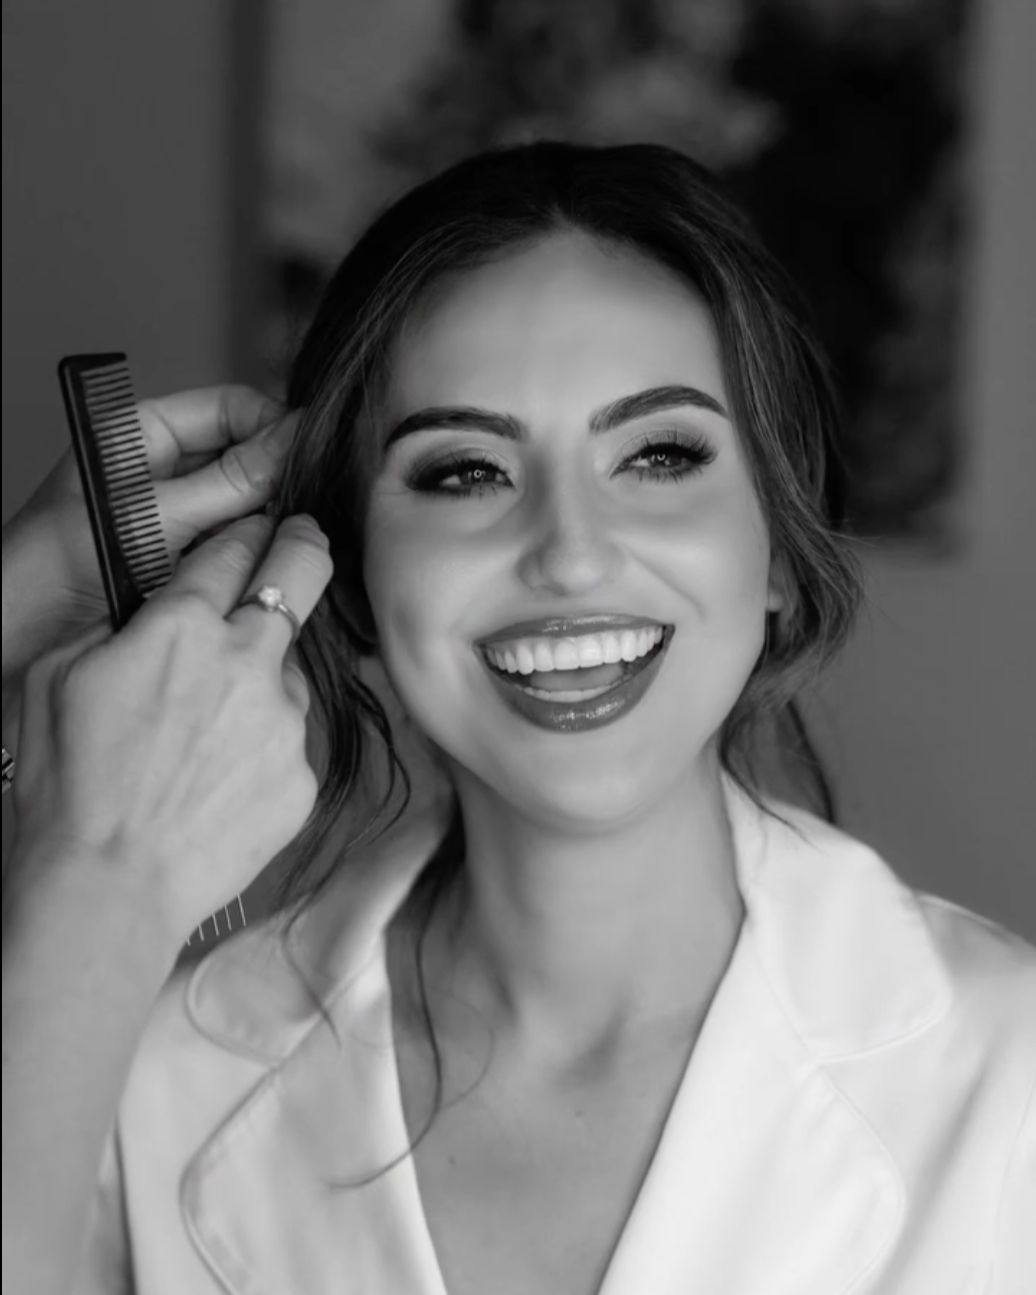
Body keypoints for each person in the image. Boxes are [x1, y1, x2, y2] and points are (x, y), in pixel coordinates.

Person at [2, 142, 1033, 1295]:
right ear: (349, 582)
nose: (570, 552)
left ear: (778, 552)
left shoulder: (1012, 1075)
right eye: (463, 472)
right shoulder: (122, 1076)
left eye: (658, 454)